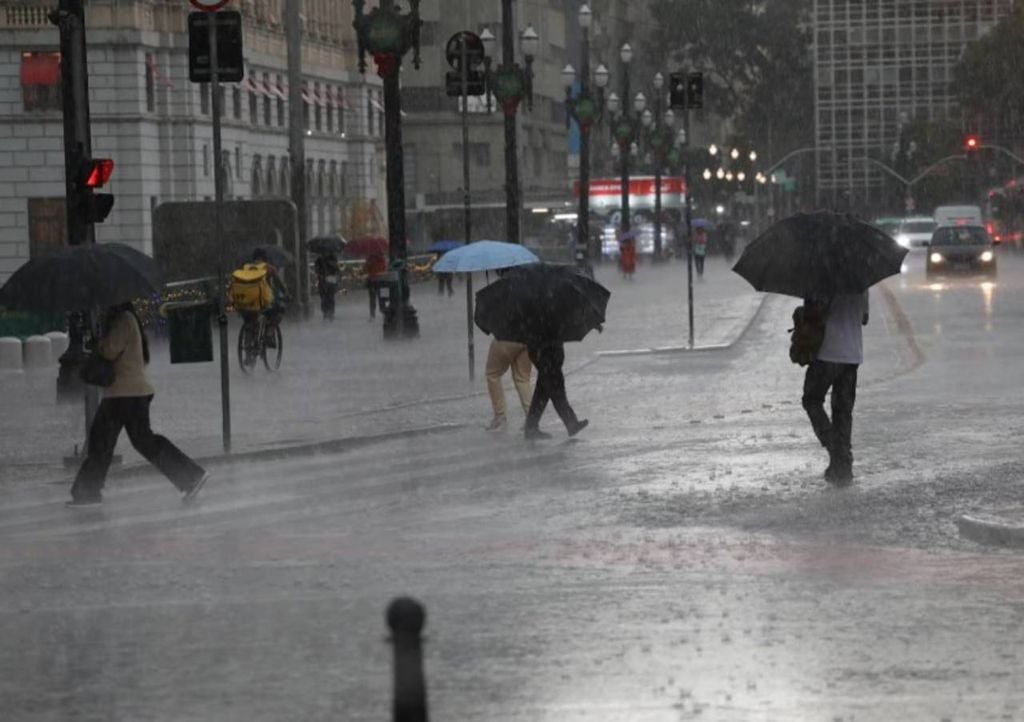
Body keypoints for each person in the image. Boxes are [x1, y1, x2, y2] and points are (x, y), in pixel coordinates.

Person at [68, 302, 209, 506]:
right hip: (127, 393)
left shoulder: (123, 319)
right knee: (134, 441)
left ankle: (87, 492)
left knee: (104, 442)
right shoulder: (126, 319)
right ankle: (190, 477)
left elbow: (109, 350)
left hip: (124, 394)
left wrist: (98, 342)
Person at [801, 291, 870, 486]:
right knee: (842, 411)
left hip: (827, 352)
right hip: (852, 354)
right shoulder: (861, 283)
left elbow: (813, 313)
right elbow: (864, 319)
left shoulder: (821, 281)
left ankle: (836, 449)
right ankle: (842, 468)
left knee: (812, 400)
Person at [523, 341, 588, 440]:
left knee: (542, 394)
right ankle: (571, 423)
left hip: (549, 359)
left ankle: (531, 427)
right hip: (549, 360)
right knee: (556, 393)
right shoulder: (543, 335)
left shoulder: (546, 335)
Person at [484, 338, 533, 431]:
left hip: (506, 336)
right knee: (523, 379)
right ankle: (532, 418)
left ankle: (500, 416)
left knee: (492, 374)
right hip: (528, 339)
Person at [250, 249, 289, 342]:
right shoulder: (269, 268)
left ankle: (250, 334)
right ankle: (269, 332)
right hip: (263, 299)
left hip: (248, 300)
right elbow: (279, 283)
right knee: (279, 311)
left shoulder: (247, 268)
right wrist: (286, 293)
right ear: (264, 258)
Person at [314, 251, 339, 321]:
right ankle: (325, 312)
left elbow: (336, 269)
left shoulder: (333, 258)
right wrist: (321, 274)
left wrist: (330, 264)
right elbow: (316, 270)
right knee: (323, 297)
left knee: (330, 296)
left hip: (331, 279)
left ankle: (331, 312)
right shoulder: (319, 260)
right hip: (322, 280)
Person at [364, 251, 388, 320]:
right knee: (378, 298)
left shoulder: (377, 258)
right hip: (378, 281)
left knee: (380, 298)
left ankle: (378, 313)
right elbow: (365, 269)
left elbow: (365, 269)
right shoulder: (378, 258)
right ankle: (376, 314)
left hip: (378, 280)